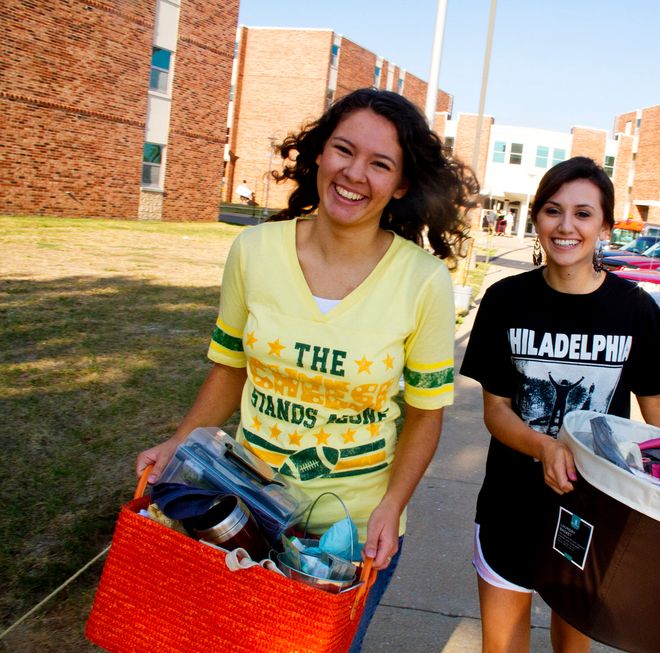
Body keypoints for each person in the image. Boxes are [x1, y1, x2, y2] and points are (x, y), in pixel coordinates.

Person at [137, 88, 479, 651]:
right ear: (320, 153)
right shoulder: (254, 252)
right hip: (239, 513)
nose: (355, 173)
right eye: (344, 150)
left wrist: (393, 508)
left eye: (380, 164)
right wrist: (177, 443)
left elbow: (425, 415)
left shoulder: (423, 281)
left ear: (401, 185)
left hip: (348, 538)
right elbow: (229, 368)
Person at [460, 156, 660, 652]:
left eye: (583, 214)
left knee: (574, 647)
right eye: (552, 210)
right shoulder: (505, 301)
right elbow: (496, 409)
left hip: (593, 511)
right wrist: (543, 448)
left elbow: (657, 408)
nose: (566, 227)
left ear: (605, 224)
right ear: (537, 218)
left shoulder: (634, 309)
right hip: (511, 505)